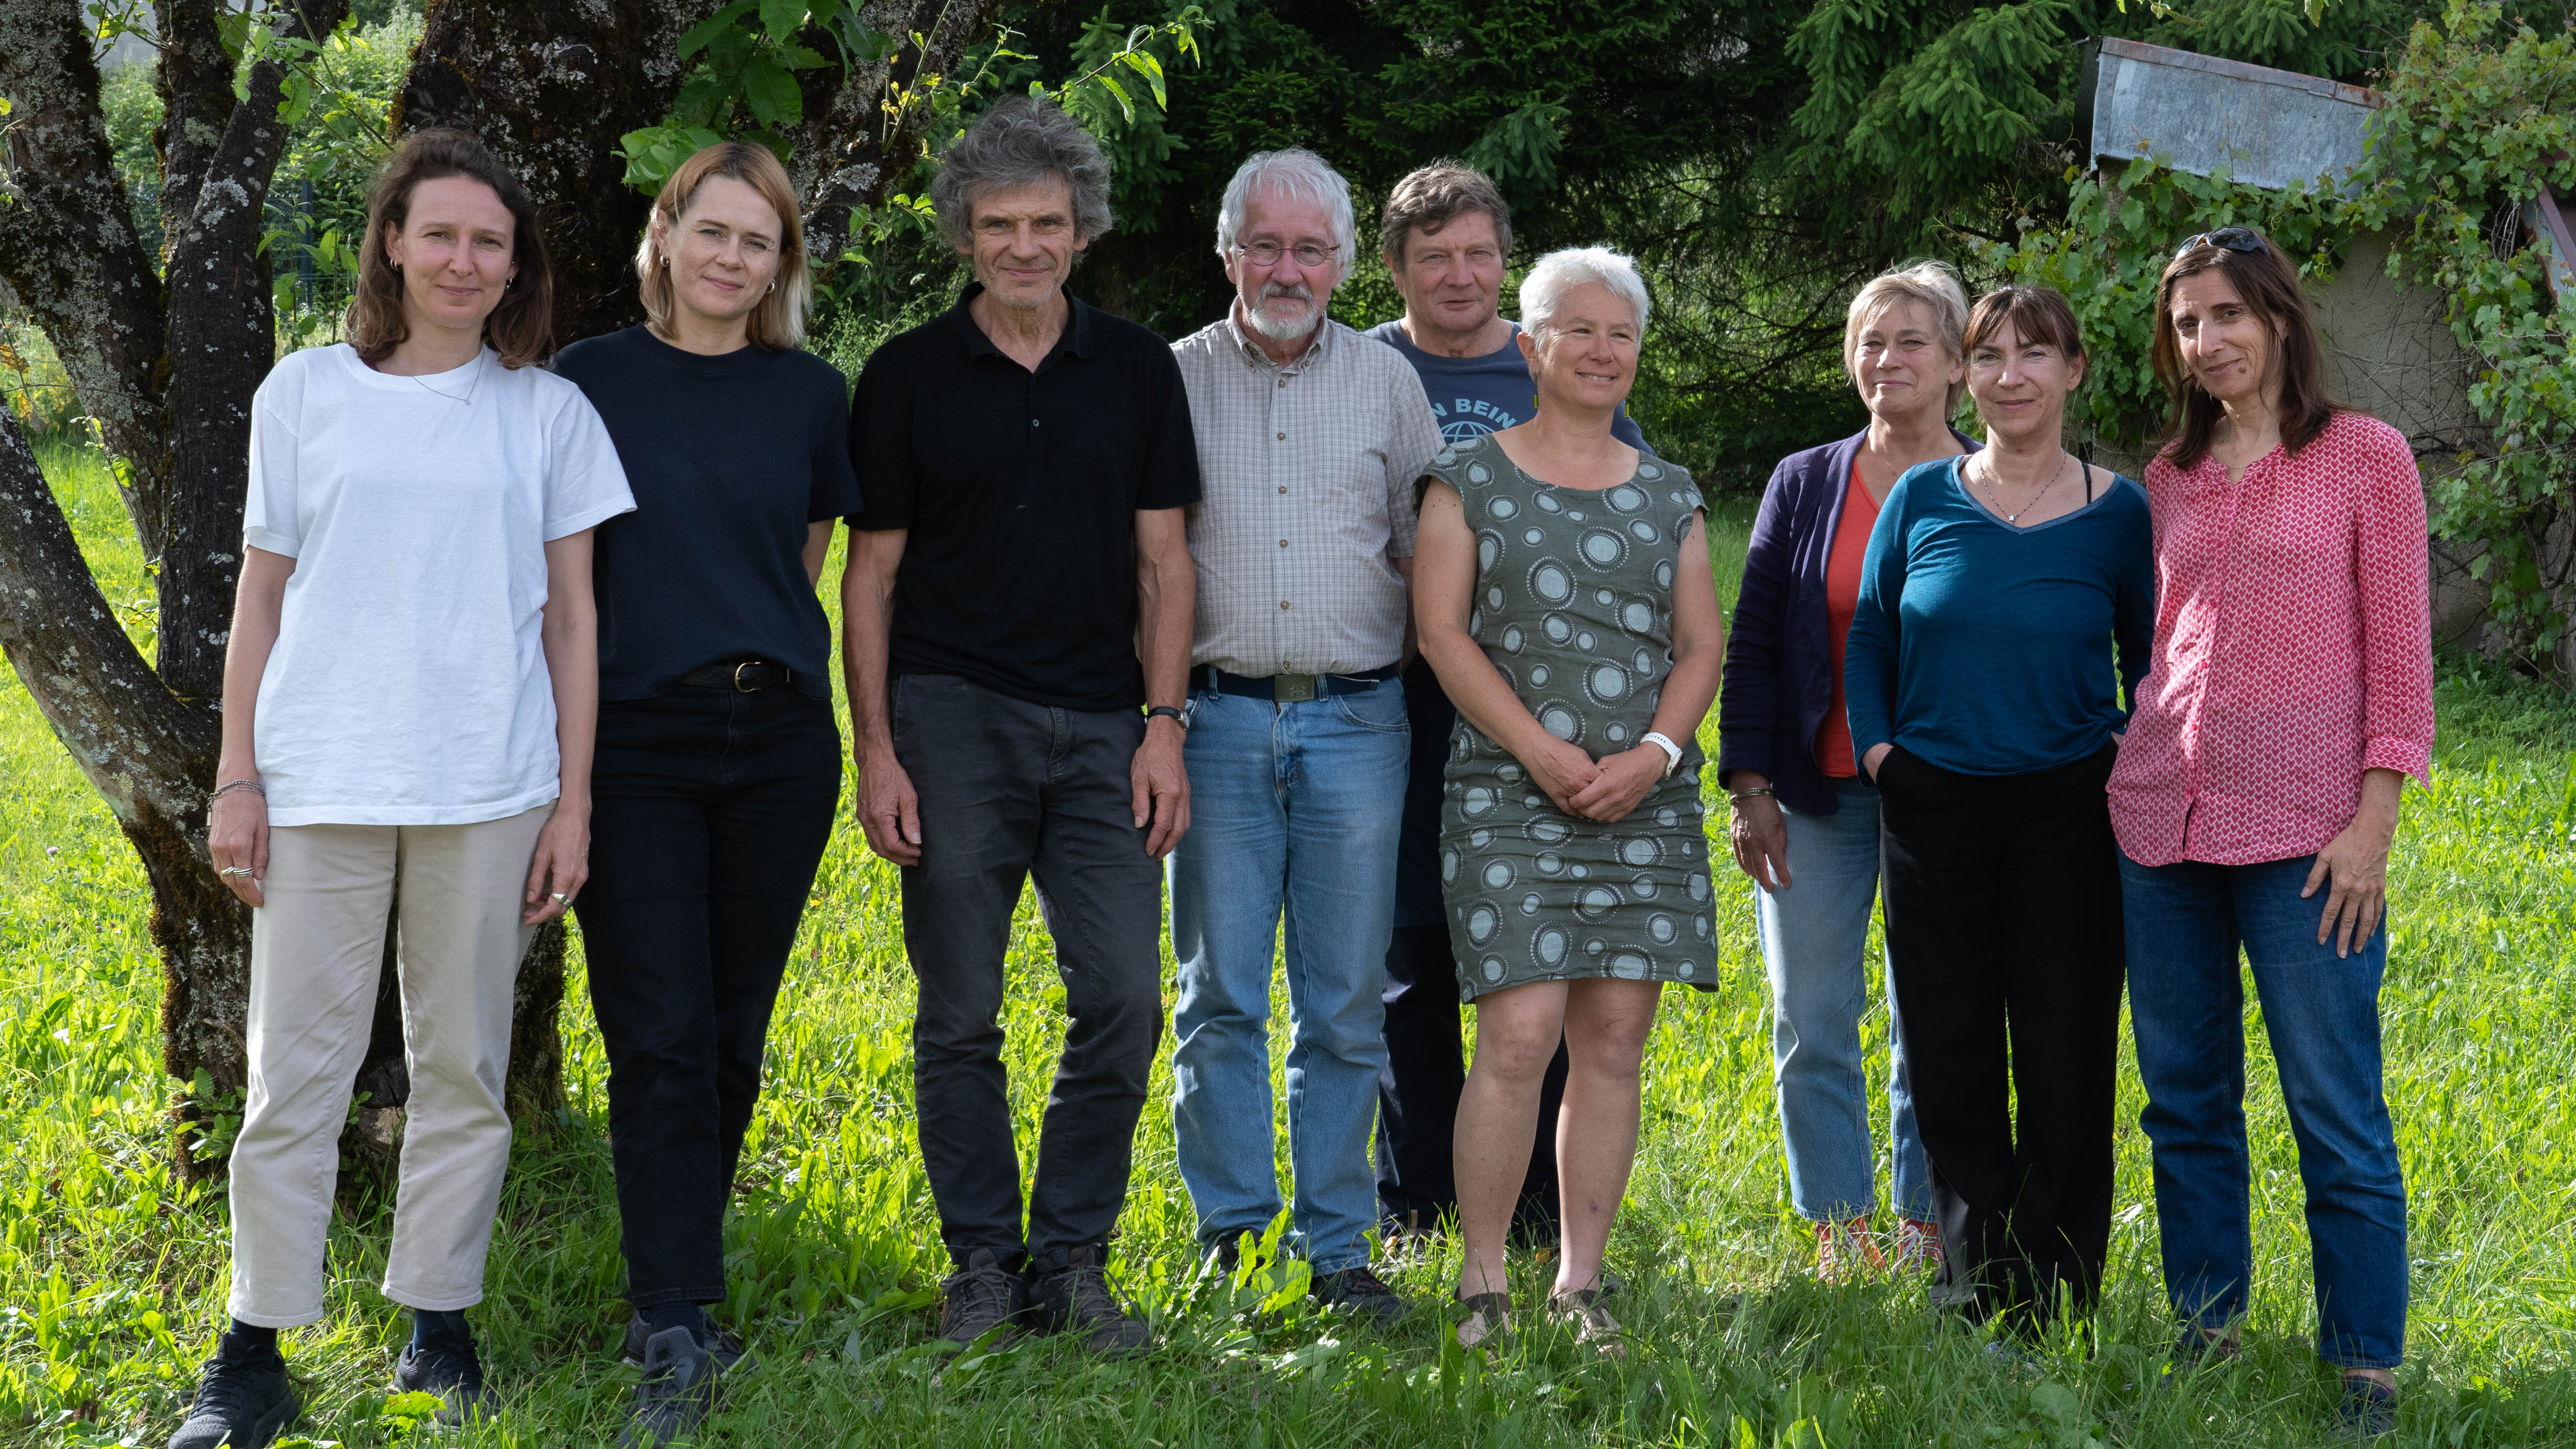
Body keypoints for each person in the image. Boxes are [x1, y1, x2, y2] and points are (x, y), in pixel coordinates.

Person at [177, 129, 632, 1449]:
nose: (463, 260)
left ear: (514, 265)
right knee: (293, 1074)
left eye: (489, 242)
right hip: (317, 778)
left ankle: (439, 1321)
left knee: (464, 1065)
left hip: (489, 784)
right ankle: (254, 1346)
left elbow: (573, 626)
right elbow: (258, 600)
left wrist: (574, 801)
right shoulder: (305, 392)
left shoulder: (549, 411)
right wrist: (237, 777)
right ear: (391, 240)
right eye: (439, 234)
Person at [842, 95, 1199, 1356]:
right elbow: (869, 578)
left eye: (1047, 222)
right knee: (960, 1013)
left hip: (1108, 724)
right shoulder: (903, 377)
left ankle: (1073, 1263)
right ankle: (983, 1262)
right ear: (964, 234)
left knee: (1121, 998)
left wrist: (1165, 727)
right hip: (951, 717)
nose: (1025, 246)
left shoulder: (1140, 369)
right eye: (999, 225)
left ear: (1082, 229)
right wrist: (876, 749)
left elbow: (1166, 563)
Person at [552, 141, 858, 1446]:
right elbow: (565, 585)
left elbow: (799, 563)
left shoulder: (810, 394)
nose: (734, 259)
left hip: (780, 739)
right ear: (666, 235)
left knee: (733, 1027)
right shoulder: (588, 384)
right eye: (714, 232)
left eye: (761, 242)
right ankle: (669, 1309)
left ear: (780, 264)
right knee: (660, 1030)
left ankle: (686, 1272)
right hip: (636, 741)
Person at [2107, 227, 2431, 1437]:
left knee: (2334, 1106)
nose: (2208, 343)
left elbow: (2401, 657)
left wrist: (2372, 824)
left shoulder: (2365, 458)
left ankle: (2363, 1364)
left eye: (2228, 316)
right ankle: (2207, 1326)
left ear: (2281, 320)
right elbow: (2162, 646)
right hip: (2160, 825)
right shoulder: (2170, 474)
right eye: (2188, 324)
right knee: (2184, 1102)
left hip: (2308, 839)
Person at [1415, 247, 1724, 1354]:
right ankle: (1483, 1282)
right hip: (1509, 791)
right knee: (1518, 1033)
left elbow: (1699, 647)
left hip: (1640, 798)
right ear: (1531, 347)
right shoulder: (1466, 478)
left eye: (1622, 334)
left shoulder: (1671, 492)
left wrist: (1654, 753)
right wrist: (1538, 751)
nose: (1603, 351)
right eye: (1579, 331)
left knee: (1612, 1037)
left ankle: (1581, 1284)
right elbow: (1441, 635)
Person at [1843, 284, 2153, 1341]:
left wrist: (2119, 742)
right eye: (1988, 356)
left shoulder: (2119, 511)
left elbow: (2152, 659)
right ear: (1964, 376)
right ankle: (1975, 1284)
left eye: (2034, 355)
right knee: (1949, 1045)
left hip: (2069, 808)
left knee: (2065, 1046)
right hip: (1931, 805)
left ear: (2072, 372)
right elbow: (1871, 638)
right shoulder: (1923, 497)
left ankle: (2060, 1287)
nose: (2008, 376)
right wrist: (1883, 753)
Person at [1166, 148, 1442, 1318]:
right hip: (1214, 716)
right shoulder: (1168, 377)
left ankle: (1338, 1246)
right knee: (1219, 993)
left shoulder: (1386, 383)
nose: (1288, 269)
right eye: (1266, 246)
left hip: (1357, 719)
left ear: (1340, 261)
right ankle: (1233, 1231)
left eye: (1311, 248)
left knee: (1341, 998)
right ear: (1229, 253)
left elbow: (1427, 547)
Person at [1365, 162, 1647, 1243]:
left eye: (1479, 252)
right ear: (1393, 269)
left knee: (1540, 950)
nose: (1458, 274)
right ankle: (1418, 1197)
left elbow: (1634, 522)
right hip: (1396, 700)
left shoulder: (1556, 360)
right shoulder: (1364, 366)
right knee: (1413, 954)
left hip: (1548, 713)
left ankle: (1535, 1203)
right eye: (1432, 255)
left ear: (1507, 265)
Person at [1716, 261, 1972, 1281]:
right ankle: (1839, 1226)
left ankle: (1918, 1226)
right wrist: (1748, 787)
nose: (1888, 358)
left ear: (1957, 362)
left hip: (1945, 799)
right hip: (1813, 792)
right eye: (1870, 340)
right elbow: (1754, 643)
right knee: (1810, 1015)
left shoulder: (1987, 480)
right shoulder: (1805, 480)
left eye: (1912, 340)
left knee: (1931, 1018)